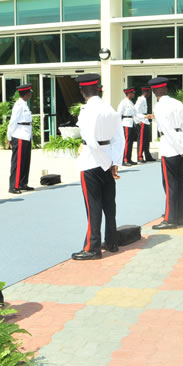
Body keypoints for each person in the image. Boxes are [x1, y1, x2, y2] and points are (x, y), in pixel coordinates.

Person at [71, 74, 125, 260]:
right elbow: (120, 138)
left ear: (82, 92)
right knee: (109, 205)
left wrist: (104, 161)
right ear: (98, 89)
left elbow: (91, 142)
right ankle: (111, 242)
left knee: (93, 207)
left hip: (92, 161)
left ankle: (92, 248)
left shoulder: (87, 111)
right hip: (107, 160)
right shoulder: (109, 108)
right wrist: (114, 162)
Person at [150, 76, 183, 229]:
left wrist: (182, 148)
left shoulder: (159, 106)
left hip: (170, 147)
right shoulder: (177, 103)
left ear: (155, 91)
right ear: (166, 88)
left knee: (170, 184)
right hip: (181, 142)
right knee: (179, 182)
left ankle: (170, 219)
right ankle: (178, 216)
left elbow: (167, 132)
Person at [7, 84, 34, 194]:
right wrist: (9, 137)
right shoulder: (18, 105)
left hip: (26, 135)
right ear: (27, 93)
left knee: (26, 161)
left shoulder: (25, 105)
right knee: (17, 162)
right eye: (30, 92)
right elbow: (13, 122)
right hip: (19, 135)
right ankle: (14, 186)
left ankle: (23, 183)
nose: (31, 93)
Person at [135, 86, 156, 162]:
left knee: (147, 140)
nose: (150, 94)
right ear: (145, 92)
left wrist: (148, 115)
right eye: (149, 92)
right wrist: (141, 118)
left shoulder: (144, 100)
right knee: (141, 140)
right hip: (142, 121)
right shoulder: (140, 100)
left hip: (146, 121)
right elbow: (136, 112)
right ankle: (140, 156)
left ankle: (147, 155)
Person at [117, 87, 137, 166]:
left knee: (130, 142)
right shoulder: (123, 102)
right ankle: (124, 159)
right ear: (128, 94)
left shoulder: (131, 102)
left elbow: (134, 113)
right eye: (132, 93)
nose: (133, 94)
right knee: (126, 142)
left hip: (131, 123)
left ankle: (128, 158)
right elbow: (119, 114)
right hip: (126, 124)